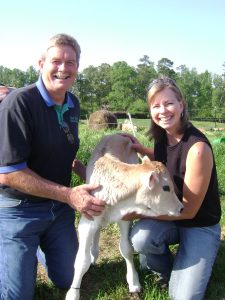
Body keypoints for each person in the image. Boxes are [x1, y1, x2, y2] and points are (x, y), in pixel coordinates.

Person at [0, 33, 105, 300]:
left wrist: (92, 174)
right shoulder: (19, 103)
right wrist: (70, 195)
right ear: (41, 63)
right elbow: (9, 174)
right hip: (19, 210)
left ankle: (37, 248)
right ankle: (17, 248)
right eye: (56, 60)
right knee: (17, 295)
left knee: (69, 278)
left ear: (77, 68)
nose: (63, 68)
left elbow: (63, 153)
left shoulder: (73, 104)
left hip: (57, 210)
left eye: (71, 62)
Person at [126, 77, 221, 300]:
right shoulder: (163, 137)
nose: (163, 111)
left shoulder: (198, 148)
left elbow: (189, 211)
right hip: (172, 215)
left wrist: (139, 212)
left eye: (169, 103)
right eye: (156, 106)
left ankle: (192, 259)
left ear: (181, 104)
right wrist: (142, 150)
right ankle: (166, 271)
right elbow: (166, 160)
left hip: (199, 224)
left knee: (184, 298)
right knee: (141, 238)